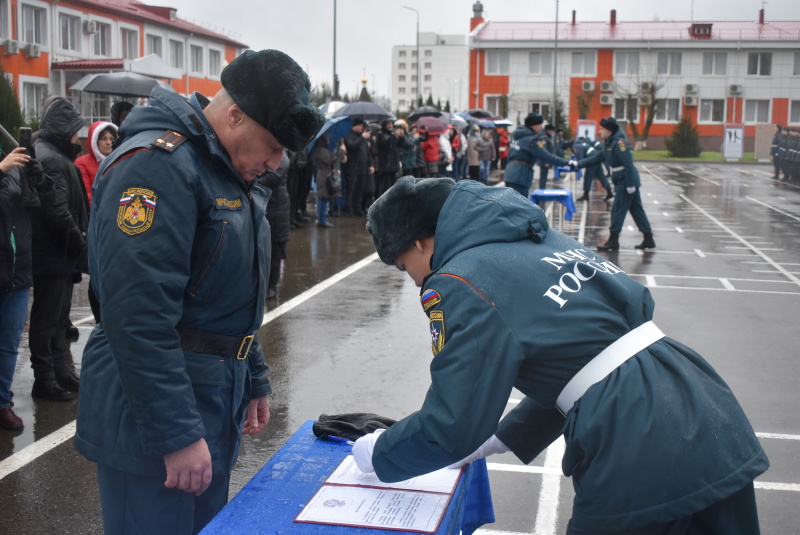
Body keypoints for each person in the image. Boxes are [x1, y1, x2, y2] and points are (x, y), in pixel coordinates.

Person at [356, 176, 768, 535]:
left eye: (402, 265)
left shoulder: (459, 279)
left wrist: (382, 453)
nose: (411, 280)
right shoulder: (537, 241)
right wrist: (500, 438)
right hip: (698, 398)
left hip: (633, 435)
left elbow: (451, 423)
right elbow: (588, 362)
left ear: (419, 242)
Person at [74, 49, 325, 535]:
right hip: (153, 414)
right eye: (272, 145)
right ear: (234, 115)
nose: (276, 163)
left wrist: (252, 373)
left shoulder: (224, 165)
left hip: (210, 394)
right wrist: (177, 434)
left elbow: (231, 292)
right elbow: (138, 314)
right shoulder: (157, 166)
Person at [29, 98, 89, 401]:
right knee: (47, 318)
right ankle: (45, 378)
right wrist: (81, 246)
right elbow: (56, 211)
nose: (79, 135)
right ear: (65, 130)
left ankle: (59, 372)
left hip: (60, 255)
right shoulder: (51, 158)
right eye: (76, 129)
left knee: (58, 318)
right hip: (54, 254)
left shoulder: (54, 155)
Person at [0, 148, 36, 428]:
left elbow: (36, 206)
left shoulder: (14, 164)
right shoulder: (5, 165)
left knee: (9, 344)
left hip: (17, 271)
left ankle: (2, 403)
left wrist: (37, 177)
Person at [588, 117, 655, 251]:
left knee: (618, 210)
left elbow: (628, 165)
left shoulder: (619, 143)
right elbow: (597, 158)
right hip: (623, 180)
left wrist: (630, 185)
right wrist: (577, 164)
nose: (600, 131)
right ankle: (648, 238)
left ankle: (613, 240)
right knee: (636, 210)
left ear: (609, 130)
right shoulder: (609, 143)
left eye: (602, 128)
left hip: (625, 181)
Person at [503, 113, 574, 198]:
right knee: (519, 205)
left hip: (510, 173)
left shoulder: (517, 136)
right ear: (534, 125)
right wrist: (567, 163)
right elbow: (547, 156)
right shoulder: (531, 140)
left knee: (509, 203)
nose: (541, 127)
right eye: (540, 124)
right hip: (521, 175)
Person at [258, 150, 291, 298]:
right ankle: (262, 284)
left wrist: (252, 181)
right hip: (264, 205)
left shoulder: (282, 157)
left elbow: (274, 176)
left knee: (276, 249)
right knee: (262, 248)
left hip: (278, 207)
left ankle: (272, 286)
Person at [75, 121, 117, 208]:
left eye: (111, 139)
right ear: (95, 141)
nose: (108, 142)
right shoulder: (81, 163)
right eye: (103, 138)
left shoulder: (120, 161)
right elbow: (86, 196)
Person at [313, 133, 345, 228]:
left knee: (325, 196)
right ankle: (321, 220)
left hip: (325, 174)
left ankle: (323, 218)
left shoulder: (323, 149)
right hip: (323, 175)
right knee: (322, 196)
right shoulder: (320, 150)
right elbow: (331, 159)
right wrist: (341, 151)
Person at [343, 118, 372, 216]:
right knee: (351, 189)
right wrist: (363, 138)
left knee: (360, 189)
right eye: (360, 125)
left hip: (362, 168)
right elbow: (352, 146)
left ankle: (358, 207)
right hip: (352, 167)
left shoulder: (362, 137)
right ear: (354, 126)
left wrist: (370, 164)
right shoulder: (349, 135)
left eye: (363, 126)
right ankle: (349, 208)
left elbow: (367, 152)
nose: (362, 128)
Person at [574, 138, 613, 203]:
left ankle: (586, 195)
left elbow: (580, 157)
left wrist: (577, 164)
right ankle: (609, 192)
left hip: (591, 158)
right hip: (595, 156)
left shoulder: (577, 146)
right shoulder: (583, 145)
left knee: (588, 176)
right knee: (601, 176)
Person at [375, 119, 405, 196]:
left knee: (393, 183)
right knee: (386, 185)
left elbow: (400, 146)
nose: (390, 126)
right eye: (388, 124)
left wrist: (401, 137)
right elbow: (386, 145)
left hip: (394, 163)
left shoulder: (392, 135)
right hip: (386, 165)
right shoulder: (381, 134)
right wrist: (394, 136)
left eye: (391, 124)